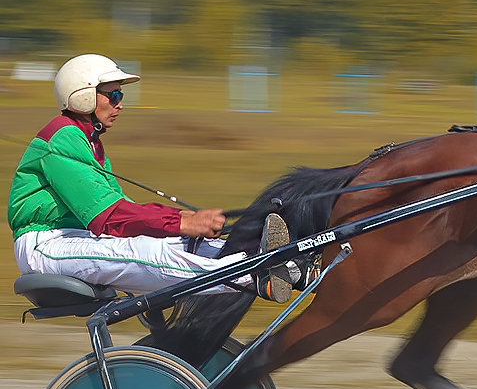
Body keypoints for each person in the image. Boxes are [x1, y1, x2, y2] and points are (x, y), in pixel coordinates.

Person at [7, 53, 294, 302]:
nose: (120, 104)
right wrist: (182, 221)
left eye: (121, 96)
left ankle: (287, 266)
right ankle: (254, 275)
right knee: (148, 252)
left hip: (76, 238)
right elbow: (107, 218)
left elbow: (123, 212)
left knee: (178, 244)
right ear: (83, 95)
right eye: (114, 95)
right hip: (44, 246)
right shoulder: (63, 136)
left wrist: (182, 226)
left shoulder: (89, 141)